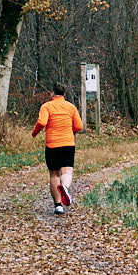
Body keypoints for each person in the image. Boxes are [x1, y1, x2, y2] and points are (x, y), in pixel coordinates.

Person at [30, 82, 83, 214]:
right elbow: (79, 125)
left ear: (52, 93)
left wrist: (35, 132)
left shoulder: (47, 106)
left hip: (52, 144)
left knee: (54, 174)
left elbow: (42, 122)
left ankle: (58, 205)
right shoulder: (71, 107)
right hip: (68, 143)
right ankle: (64, 186)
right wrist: (72, 132)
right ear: (64, 94)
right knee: (67, 172)